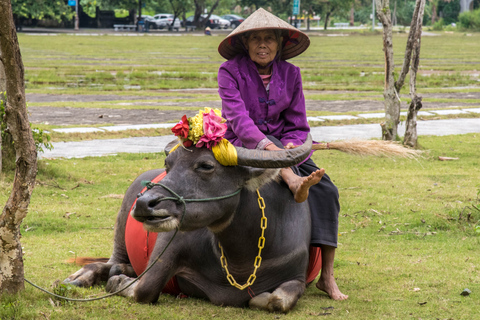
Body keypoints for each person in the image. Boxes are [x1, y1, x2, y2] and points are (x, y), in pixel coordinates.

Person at [217, 8, 348, 301]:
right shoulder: (229, 72)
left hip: (286, 148)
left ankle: (327, 276)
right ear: (246, 44)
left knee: (327, 190)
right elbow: (237, 119)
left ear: (279, 44)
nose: (262, 44)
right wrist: (267, 146)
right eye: (256, 39)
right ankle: (293, 182)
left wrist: (289, 146)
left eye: (269, 39)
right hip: (243, 142)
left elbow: (298, 123)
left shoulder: (292, 74)